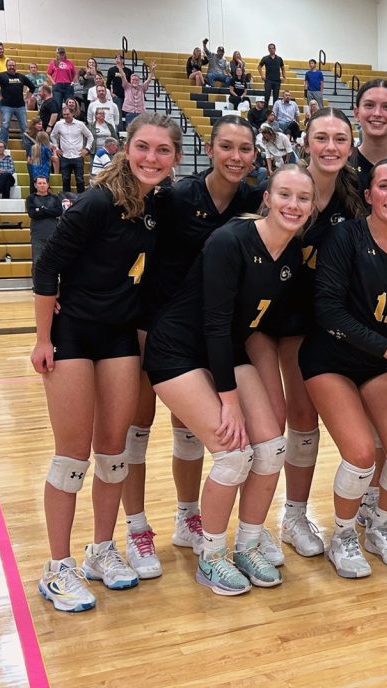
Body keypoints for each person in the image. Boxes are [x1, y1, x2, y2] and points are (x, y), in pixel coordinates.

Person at [30, 113, 181, 613]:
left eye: (162, 150)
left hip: (119, 337)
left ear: (175, 157)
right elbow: (47, 267)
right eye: (143, 147)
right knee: (72, 458)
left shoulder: (157, 206)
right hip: (72, 335)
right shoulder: (96, 202)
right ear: (125, 149)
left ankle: (100, 550)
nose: (151, 158)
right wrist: (43, 339)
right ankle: (58, 567)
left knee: (114, 453)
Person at [143, 165, 311, 595]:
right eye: (285, 195)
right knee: (234, 456)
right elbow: (215, 325)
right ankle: (212, 555)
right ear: (267, 198)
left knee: (271, 449)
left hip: (225, 352)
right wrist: (230, 401)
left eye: (303, 198)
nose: (293, 205)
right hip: (177, 351)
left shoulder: (291, 252)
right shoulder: (229, 241)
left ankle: (248, 545)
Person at [122, 115, 266, 579]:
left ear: (254, 155)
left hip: (203, 332)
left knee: (189, 428)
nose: (235, 157)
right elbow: (125, 240)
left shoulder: (251, 199)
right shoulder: (177, 196)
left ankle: (188, 516)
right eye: (226, 147)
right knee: (136, 429)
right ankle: (136, 527)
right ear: (209, 149)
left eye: (244, 149)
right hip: (149, 324)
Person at [299, 159, 387, 578]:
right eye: (384, 186)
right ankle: (341, 536)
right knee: (360, 455)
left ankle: (380, 526)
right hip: (330, 359)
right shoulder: (345, 237)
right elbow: (328, 311)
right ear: (369, 195)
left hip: (377, 363)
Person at [247, 108, 365, 561]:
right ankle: (251, 528)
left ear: (350, 146)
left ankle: (294, 515)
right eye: (322, 138)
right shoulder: (286, 187)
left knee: (302, 417)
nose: (331, 147)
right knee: (268, 425)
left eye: (340, 139)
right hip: (260, 318)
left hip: (308, 322)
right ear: (306, 142)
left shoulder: (353, 200)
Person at [0, 59, 35, 145]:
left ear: (16, 67)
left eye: (13, 65)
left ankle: (27, 146)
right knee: (5, 125)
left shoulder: (21, 77)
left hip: (20, 106)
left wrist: (28, 97)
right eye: (10, 65)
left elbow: (32, 87)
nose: (11, 67)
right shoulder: (1, 76)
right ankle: (2, 145)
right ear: (6, 66)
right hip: (6, 106)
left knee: (24, 127)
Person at [50, 105, 93, 194]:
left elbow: (90, 136)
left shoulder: (80, 124)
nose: (66, 116)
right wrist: (56, 148)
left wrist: (87, 149)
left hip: (78, 156)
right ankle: (67, 199)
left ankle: (81, 198)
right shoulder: (59, 124)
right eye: (64, 114)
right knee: (65, 180)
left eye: (68, 114)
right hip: (65, 156)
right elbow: (52, 135)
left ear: (73, 113)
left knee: (80, 180)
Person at [26, 175, 63, 269]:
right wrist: (50, 212)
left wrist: (42, 210)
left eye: (44, 183)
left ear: (48, 184)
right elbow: (32, 213)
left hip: (53, 234)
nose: (42, 185)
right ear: (35, 185)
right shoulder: (30, 198)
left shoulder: (55, 198)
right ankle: (37, 279)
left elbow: (59, 211)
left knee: (54, 262)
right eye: (39, 183)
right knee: (37, 261)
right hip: (37, 235)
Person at [118, 60, 155, 130]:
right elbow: (123, 76)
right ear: (130, 80)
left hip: (140, 112)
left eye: (136, 80)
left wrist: (152, 70)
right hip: (129, 111)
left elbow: (148, 80)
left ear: (139, 81)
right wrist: (120, 67)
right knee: (130, 129)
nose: (134, 81)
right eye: (133, 80)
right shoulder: (127, 86)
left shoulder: (142, 88)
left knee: (140, 129)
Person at [106, 54, 133, 121]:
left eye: (120, 59)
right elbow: (108, 83)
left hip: (127, 95)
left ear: (123, 60)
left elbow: (131, 83)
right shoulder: (111, 70)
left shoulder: (128, 70)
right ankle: (119, 127)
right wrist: (111, 93)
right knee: (118, 114)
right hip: (116, 95)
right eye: (116, 58)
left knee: (127, 114)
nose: (118, 60)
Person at [258, 43, 285, 108]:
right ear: (268, 50)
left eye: (273, 48)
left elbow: (283, 67)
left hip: (277, 81)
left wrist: (284, 76)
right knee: (267, 96)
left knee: (276, 98)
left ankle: (274, 112)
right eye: (270, 48)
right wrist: (262, 75)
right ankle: (265, 111)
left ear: (275, 49)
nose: (271, 49)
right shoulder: (265, 58)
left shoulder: (279, 59)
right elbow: (259, 67)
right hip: (268, 80)